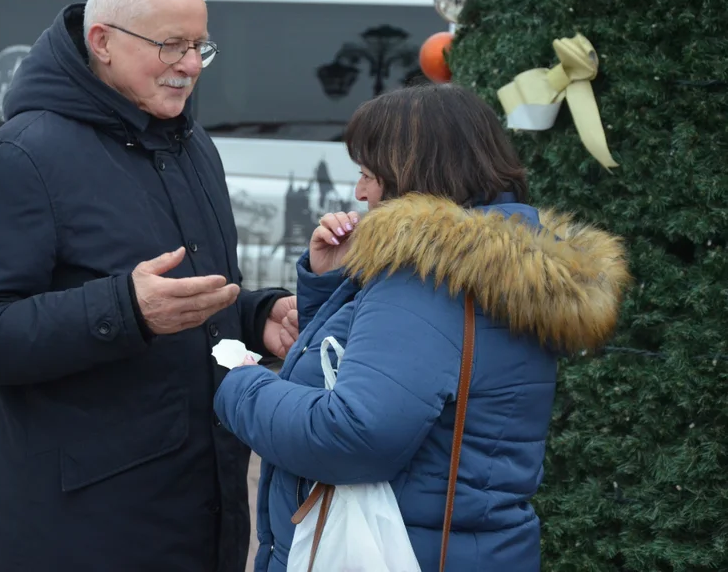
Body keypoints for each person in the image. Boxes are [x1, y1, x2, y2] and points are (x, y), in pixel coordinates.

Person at [0, 0, 299, 572]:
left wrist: (255, 314)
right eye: (171, 45)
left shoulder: (190, 143)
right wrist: (124, 309)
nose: (188, 66)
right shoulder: (24, 156)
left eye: (199, 48)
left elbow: (189, 293)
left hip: (200, 513)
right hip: (85, 528)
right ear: (102, 41)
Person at [213, 83, 631, 571]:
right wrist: (332, 284)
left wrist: (240, 383)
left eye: (370, 173)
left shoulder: (425, 280)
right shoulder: (499, 271)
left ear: (415, 174)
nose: (360, 192)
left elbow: (351, 436)